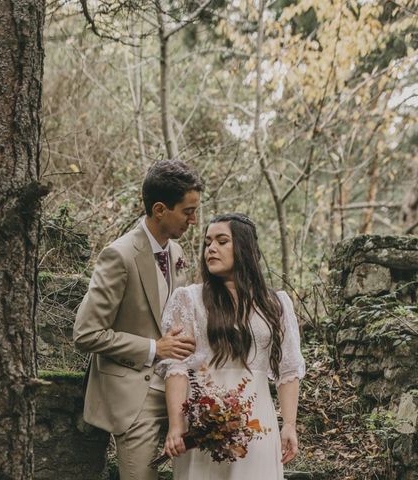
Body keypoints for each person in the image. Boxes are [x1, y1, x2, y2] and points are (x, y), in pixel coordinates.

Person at [73, 160, 203, 480]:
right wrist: (154, 348)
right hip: (134, 394)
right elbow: (86, 334)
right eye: (187, 211)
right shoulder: (119, 255)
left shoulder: (176, 252)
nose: (194, 219)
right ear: (160, 209)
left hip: (179, 385)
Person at [158, 213, 305, 480]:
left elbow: (289, 370)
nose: (211, 248)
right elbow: (176, 367)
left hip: (258, 421)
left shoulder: (277, 304)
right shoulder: (189, 299)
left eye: (222, 241)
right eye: (207, 242)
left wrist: (290, 426)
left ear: (244, 248)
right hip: (205, 421)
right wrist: (176, 425)